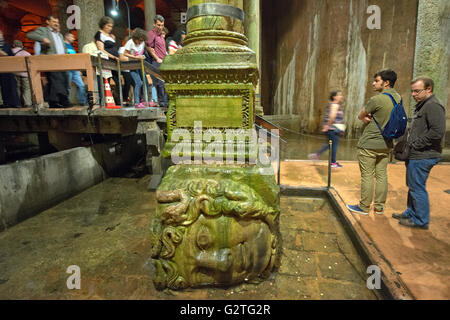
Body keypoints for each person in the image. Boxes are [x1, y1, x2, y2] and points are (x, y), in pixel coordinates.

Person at [392, 77, 446, 229]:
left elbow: (437, 132)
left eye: (417, 91)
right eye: (412, 91)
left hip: (424, 155)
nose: (414, 94)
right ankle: (411, 212)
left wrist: (415, 144)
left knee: (417, 187)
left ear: (428, 89)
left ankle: (420, 220)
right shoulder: (423, 105)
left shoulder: (433, 106)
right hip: (417, 154)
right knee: (413, 185)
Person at [347, 69, 401, 215]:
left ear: (386, 83)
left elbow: (360, 115)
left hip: (370, 144)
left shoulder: (377, 99)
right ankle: (379, 207)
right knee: (382, 175)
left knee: (367, 176)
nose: (373, 83)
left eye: (376, 81)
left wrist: (365, 117)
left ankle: (364, 207)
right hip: (387, 144)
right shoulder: (398, 98)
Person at [27, 15, 70, 108]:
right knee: (56, 79)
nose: (56, 24)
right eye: (54, 21)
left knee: (61, 80)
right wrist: (43, 39)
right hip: (50, 61)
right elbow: (30, 35)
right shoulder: (43, 31)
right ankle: (61, 101)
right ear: (48, 22)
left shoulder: (60, 34)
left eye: (57, 22)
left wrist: (67, 57)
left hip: (62, 61)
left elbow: (63, 48)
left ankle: (53, 101)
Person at [308, 90, 345, 168]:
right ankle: (333, 162)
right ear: (334, 97)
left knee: (330, 145)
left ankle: (317, 154)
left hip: (332, 129)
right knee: (334, 146)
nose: (341, 96)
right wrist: (328, 126)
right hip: (332, 129)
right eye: (339, 95)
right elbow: (332, 117)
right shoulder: (335, 105)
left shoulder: (331, 104)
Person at [123, 28, 152, 108]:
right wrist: (135, 57)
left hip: (140, 65)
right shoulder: (130, 42)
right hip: (132, 65)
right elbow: (125, 53)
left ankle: (145, 100)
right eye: (139, 40)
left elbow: (142, 52)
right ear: (135, 38)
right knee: (138, 82)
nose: (140, 42)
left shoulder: (142, 43)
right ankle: (137, 102)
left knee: (145, 82)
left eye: (142, 41)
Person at [95, 16, 120, 104]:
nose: (110, 28)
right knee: (106, 81)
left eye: (111, 26)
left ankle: (118, 100)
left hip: (114, 61)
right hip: (107, 61)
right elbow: (101, 49)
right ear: (103, 25)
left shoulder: (110, 35)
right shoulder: (99, 34)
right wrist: (113, 56)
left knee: (118, 81)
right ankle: (104, 101)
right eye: (108, 26)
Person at [146, 15, 169, 107]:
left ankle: (164, 101)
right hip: (156, 61)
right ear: (154, 24)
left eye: (162, 25)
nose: (160, 27)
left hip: (163, 60)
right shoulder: (152, 34)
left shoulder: (161, 35)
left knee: (164, 82)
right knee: (160, 82)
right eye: (158, 25)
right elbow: (148, 47)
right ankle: (161, 101)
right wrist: (156, 58)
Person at [64, 33, 87, 106]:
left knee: (81, 85)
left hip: (74, 69)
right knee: (67, 86)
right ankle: (66, 102)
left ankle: (82, 101)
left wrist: (77, 69)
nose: (73, 38)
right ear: (66, 36)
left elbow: (74, 59)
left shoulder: (71, 46)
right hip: (67, 68)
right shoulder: (62, 45)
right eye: (71, 36)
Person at [0, 31, 20, 108]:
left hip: (8, 70)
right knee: (4, 88)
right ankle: (5, 103)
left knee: (11, 86)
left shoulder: (6, 46)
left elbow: (10, 56)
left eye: (1, 34)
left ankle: (14, 103)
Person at [11, 40, 32, 108]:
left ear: (14, 45)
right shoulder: (27, 53)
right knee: (26, 89)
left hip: (15, 74)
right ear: (22, 46)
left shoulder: (11, 52)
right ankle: (27, 103)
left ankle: (18, 103)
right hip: (25, 74)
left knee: (17, 88)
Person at [118, 37, 135, 107]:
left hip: (131, 69)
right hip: (124, 69)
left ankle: (131, 98)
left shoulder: (132, 50)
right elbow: (121, 58)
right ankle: (124, 98)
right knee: (128, 82)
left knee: (134, 83)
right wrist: (132, 58)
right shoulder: (122, 48)